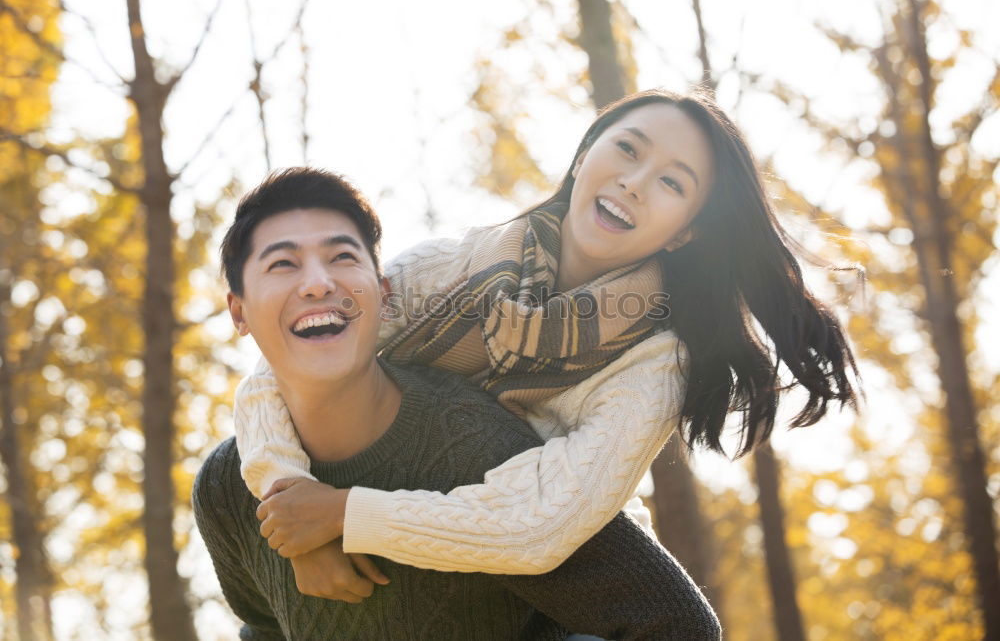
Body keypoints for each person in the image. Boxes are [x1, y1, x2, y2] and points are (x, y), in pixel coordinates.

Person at [239, 90, 858, 588]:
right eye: (626, 149)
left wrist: (344, 516)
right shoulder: (445, 271)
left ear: (683, 234)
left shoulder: (651, 362)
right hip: (396, 540)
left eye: (673, 184)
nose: (635, 183)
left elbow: (540, 524)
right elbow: (281, 369)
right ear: (584, 155)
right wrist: (290, 510)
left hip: (554, 591)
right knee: (222, 476)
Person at [192, 168, 722, 639]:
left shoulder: (480, 453)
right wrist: (292, 504)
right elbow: (263, 626)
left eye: (341, 257)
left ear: (384, 293)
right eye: (283, 264)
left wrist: (347, 515)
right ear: (238, 312)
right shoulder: (226, 487)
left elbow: (677, 625)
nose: (317, 283)